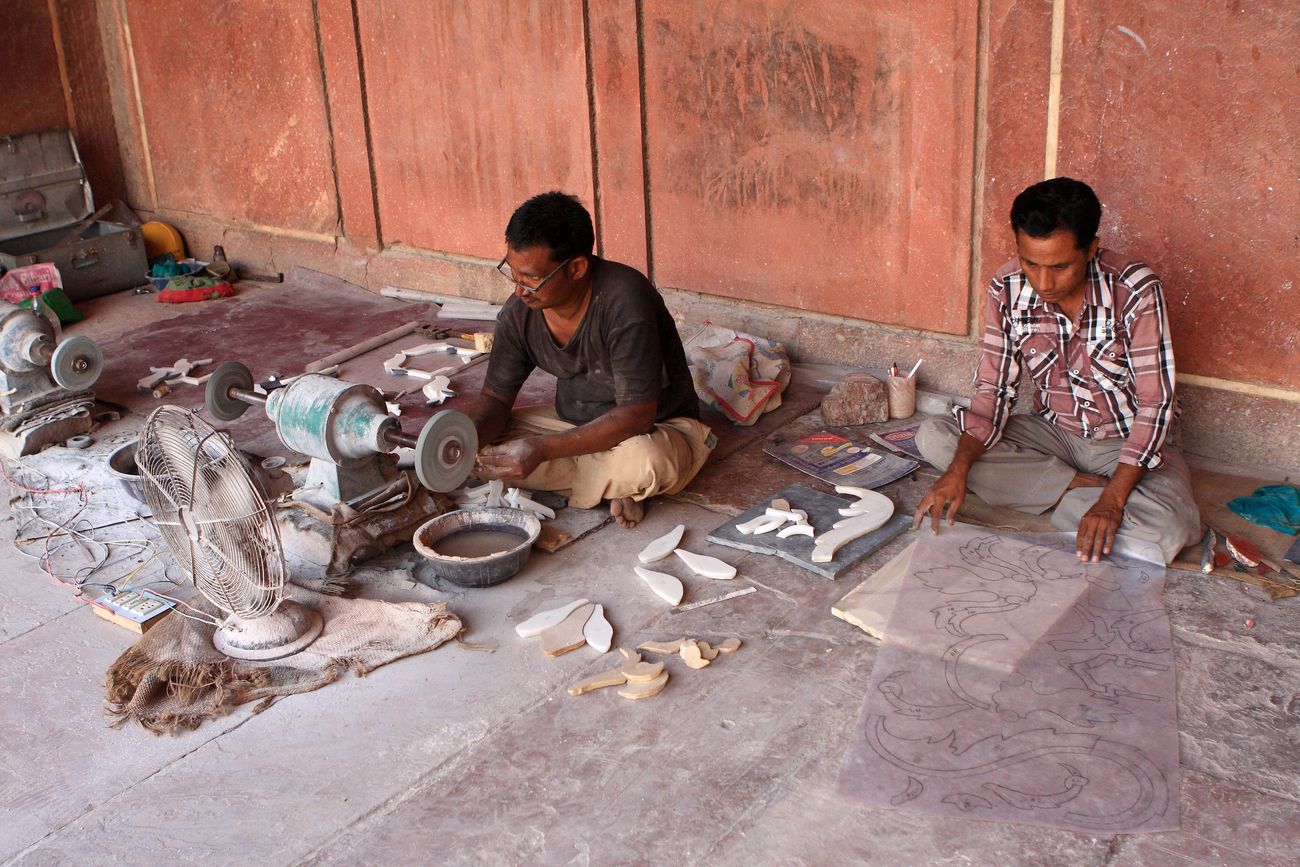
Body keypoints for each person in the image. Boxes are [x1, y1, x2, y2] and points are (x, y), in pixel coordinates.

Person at [912, 177, 1200, 564]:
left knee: (1170, 529)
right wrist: (958, 470)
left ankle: (1067, 495)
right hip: (1054, 434)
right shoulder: (1007, 287)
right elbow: (993, 391)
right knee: (936, 437)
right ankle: (1079, 491)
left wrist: (1112, 501)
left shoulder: (1135, 289)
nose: (1043, 282)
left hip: (1128, 443)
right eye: (1031, 263)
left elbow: (1156, 404)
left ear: (1091, 250)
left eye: (1060, 266)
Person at [469, 191, 715, 528]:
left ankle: (615, 479)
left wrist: (541, 450)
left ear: (577, 268)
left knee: (650, 463)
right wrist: (462, 441)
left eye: (532, 279)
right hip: (572, 425)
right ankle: (615, 485)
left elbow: (637, 416)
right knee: (484, 450)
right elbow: (495, 399)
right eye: (513, 274)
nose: (519, 290)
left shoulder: (624, 300)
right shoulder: (520, 312)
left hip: (655, 428)